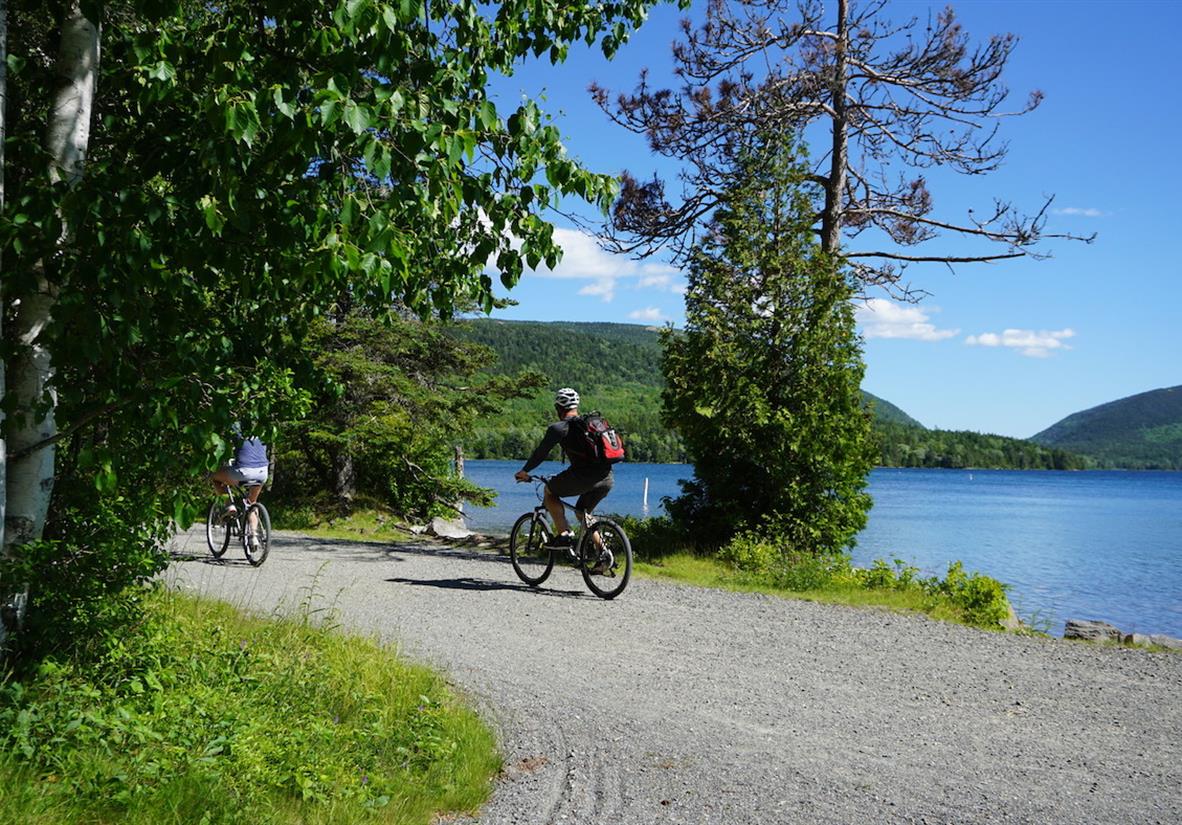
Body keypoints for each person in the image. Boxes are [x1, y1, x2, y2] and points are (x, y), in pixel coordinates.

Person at [515, 388, 614, 558]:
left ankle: (564, 534)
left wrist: (525, 471)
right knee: (582, 512)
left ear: (558, 408)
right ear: (576, 406)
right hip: (607, 478)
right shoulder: (590, 425)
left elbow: (541, 453)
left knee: (549, 491)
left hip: (582, 477)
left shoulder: (559, 428)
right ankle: (604, 555)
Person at [210, 430, 269, 544]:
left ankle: (229, 505)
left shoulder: (235, 429)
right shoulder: (262, 431)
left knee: (214, 477)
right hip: (262, 472)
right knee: (252, 502)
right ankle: (254, 536)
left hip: (243, 472)